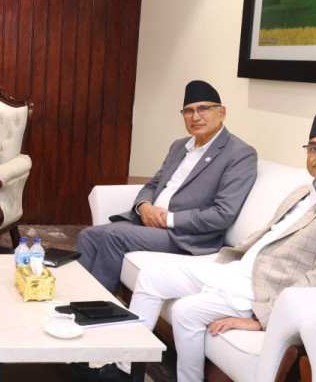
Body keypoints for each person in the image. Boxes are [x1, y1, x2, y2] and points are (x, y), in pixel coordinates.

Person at [86, 108, 316, 382]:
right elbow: (268, 235)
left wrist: (261, 318)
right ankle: (123, 368)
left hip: (265, 290)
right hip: (237, 270)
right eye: (315, 147)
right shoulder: (303, 191)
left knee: (186, 311)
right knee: (152, 277)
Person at [77, 80, 258, 291]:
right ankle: (80, 297)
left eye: (203, 109)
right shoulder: (179, 146)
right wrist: (144, 206)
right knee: (88, 235)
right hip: (150, 222)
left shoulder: (239, 153)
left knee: (113, 235)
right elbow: (153, 184)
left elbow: (223, 214)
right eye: (188, 111)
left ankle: (98, 303)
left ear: (222, 112)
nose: (195, 117)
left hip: (186, 235)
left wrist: (167, 219)